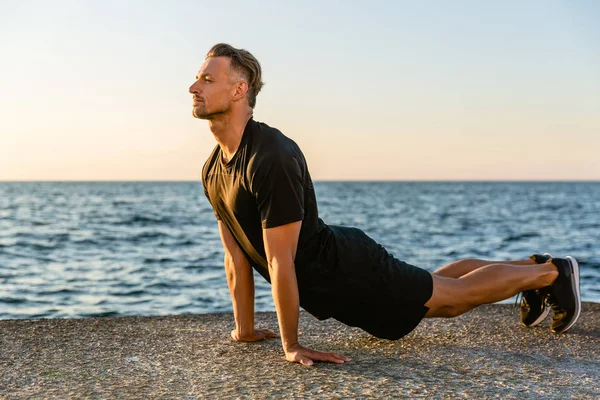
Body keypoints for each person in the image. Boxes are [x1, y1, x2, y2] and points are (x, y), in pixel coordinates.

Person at [189, 43, 581, 367]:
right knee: (439, 286)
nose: (194, 86)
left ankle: (551, 274)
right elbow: (236, 257)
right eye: (197, 78)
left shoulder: (270, 156)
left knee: (450, 300)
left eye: (207, 79)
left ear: (240, 90)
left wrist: (290, 346)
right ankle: (532, 268)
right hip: (338, 278)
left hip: (348, 270)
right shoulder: (213, 169)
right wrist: (244, 329)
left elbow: (280, 261)